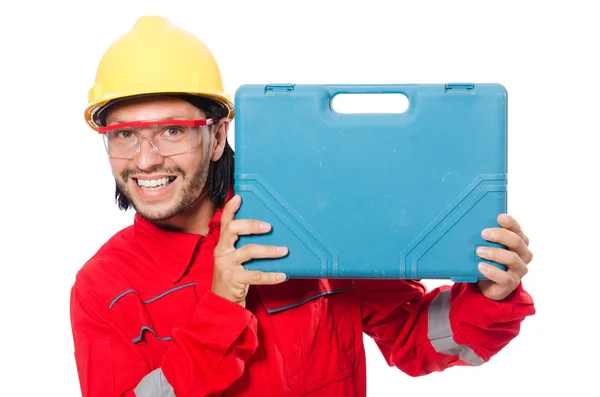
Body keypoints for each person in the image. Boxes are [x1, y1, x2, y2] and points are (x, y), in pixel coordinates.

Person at [70, 16, 535, 397]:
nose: (146, 158)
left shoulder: (311, 227)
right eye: (124, 135)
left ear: (216, 137)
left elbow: (414, 337)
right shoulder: (104, 289)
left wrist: (489, 296)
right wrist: (220, 308)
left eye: (172, 130)